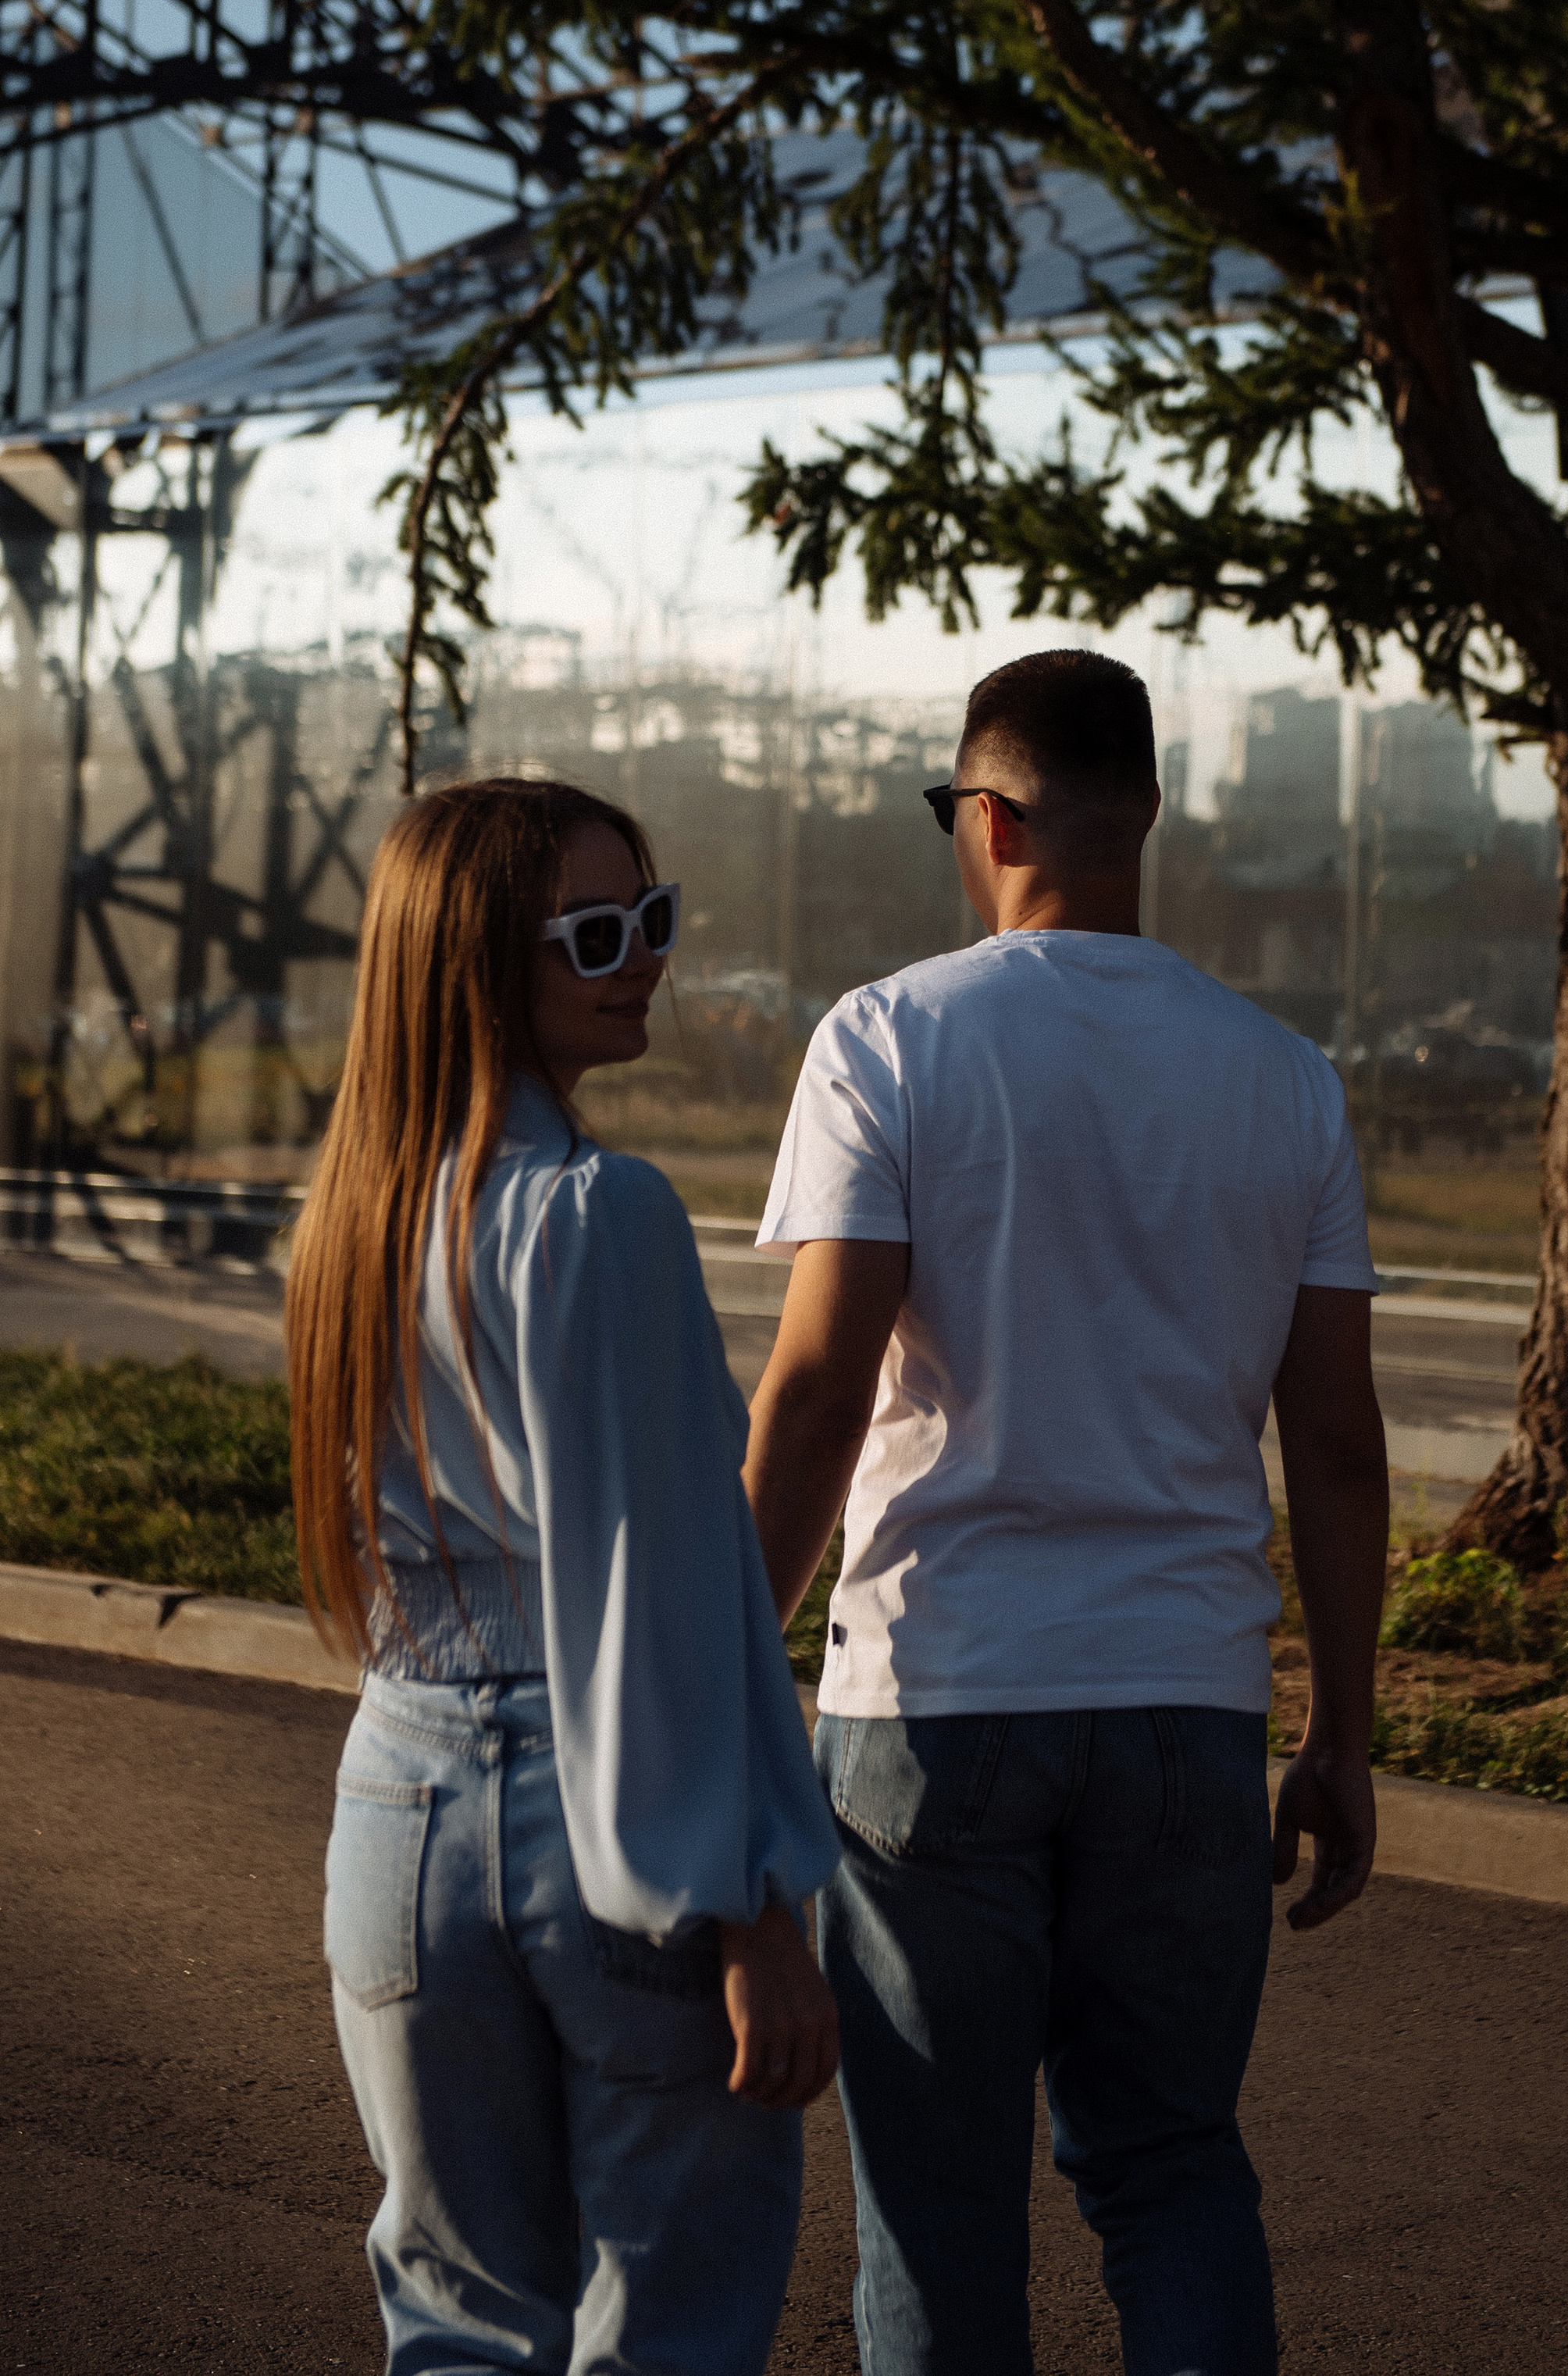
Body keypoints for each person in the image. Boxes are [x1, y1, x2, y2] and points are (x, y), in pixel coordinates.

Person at [743, 650, 1388, 2376]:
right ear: (1148, 818)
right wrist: (1340, 1724)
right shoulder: (1281, 1077)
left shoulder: (888, 1036)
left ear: (994, 813)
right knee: (1172, 2168)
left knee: (937, 2217)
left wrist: (721, 1665)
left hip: (936, 1703)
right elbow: (1331, 1443)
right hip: (1183, 1712)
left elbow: (814, 1395)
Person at [287, 775, 840, 2376]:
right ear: (477, 963)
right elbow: (657, 1584)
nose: (643, 958)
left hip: (397, 1799)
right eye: (593, 933)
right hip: (604, 1815)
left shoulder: (349, 1227)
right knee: (668, 2327)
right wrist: (749, 1911)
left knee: (459, 2327)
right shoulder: (597, 1214)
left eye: (652, 918)